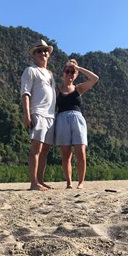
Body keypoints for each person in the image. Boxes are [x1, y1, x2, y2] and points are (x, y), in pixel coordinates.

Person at [55, 59, 99, 189]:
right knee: (66, 154)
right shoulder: (56, 89)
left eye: (72, 72)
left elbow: (95, 78)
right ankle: (69, 182)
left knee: (80, 152)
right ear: (63, 73)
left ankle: (81, 182)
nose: (69, 74)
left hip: (77, 119)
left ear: (76, 75)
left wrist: (78, 68)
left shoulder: (78, 88)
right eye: (67, 71)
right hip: (62, 119)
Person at [21, 39, 56, 191]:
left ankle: (40, 180)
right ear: (34, 55)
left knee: (45, 151)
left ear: (49, 54)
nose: (43, 53)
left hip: (50, 116)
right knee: (36, 148)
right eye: (39, 51)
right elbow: (25, 93)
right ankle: (34, 182)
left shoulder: (50, 74)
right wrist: (27, 114)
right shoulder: (30, 70)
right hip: (38, 113)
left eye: (45, 51)